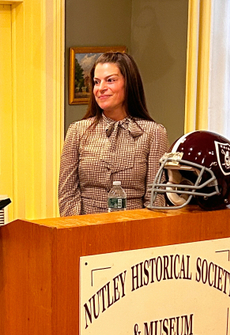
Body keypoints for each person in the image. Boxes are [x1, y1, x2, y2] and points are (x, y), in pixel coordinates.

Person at [59, 51, 169, 216]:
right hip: (85, 231)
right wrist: (77, 230)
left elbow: (156, 200)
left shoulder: (153, 133)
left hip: (134, 231)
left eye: (110, 80)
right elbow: (67, 194)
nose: (101, 88)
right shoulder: (77, 131)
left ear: (129, 83)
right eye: (96, 82)